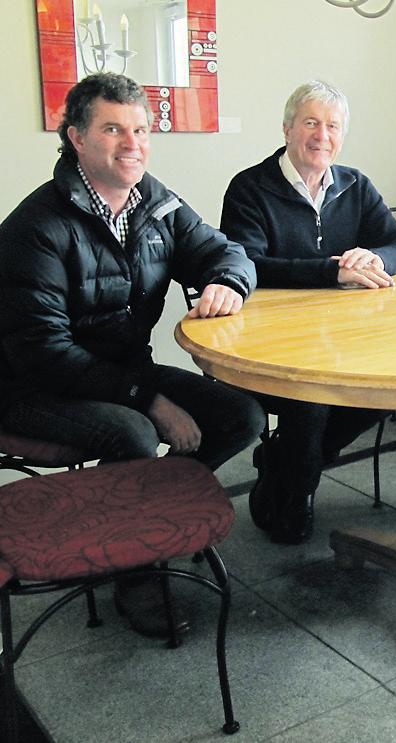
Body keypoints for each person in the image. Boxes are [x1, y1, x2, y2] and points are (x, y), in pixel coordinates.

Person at [0, 72, 265, 638]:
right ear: (76, 137)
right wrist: (149, 399)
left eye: (141, 130)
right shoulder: (37, 227)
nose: (133, 144)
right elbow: (43, 352)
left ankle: (144, 516)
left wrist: (227, 281)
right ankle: (134, 572)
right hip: (29, 385)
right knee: (134, 434)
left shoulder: (156, 203)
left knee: (242, 416)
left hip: (120, 370)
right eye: (113, 129)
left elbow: (226, 251)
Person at [220, 80, 396, 545]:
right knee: (310, 399)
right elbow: (247, 264)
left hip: (348, 340)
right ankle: (299, 490)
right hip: (272, 344)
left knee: (391, 388)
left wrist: (375, 258)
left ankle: (285, 463)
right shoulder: (250, 188)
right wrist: (331, 272)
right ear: (287, 128)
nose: (322, 135)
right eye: (311, 123)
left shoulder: (355, 185)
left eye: (333, 126)